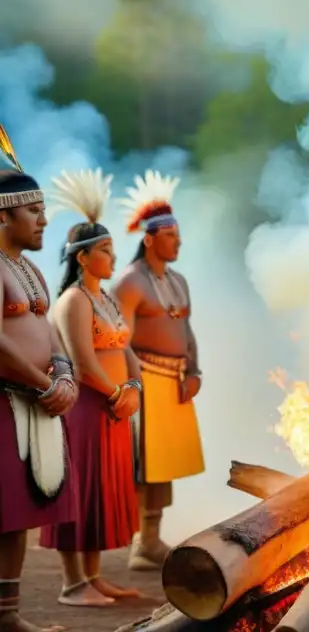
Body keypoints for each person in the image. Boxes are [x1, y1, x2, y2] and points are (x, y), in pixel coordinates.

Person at [38, 168, 143, 606]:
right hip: (85, 410)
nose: (113, 259)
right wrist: (118, 393)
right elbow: (82, 363)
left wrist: (134, 383)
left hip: (113, 408)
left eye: (113, 250)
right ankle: (71, 584)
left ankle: (94, 576)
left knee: (101, 491)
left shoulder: (105, 298)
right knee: (78, 489)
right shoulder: (73, 301)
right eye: (104, 251)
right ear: (81, 257)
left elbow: (127, 347)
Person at [0, 132, 79, 632]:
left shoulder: (28, 269)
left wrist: (64, 372)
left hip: (34, 402)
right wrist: (43, 383)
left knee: (14, 516)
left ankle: (6, 614)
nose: (45, 220)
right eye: (34, 210)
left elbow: (47, 329)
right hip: (7, 400)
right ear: (2, 215)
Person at [112, 170, 203, 571]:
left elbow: (186, 328)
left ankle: (151, 540)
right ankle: (139, 542)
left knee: (164, 463)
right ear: (149, 239)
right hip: (143, 380)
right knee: (143, 464)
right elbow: (118, 340)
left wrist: (195, 371)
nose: (178, 241)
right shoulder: (129, 283)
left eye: (178, 234)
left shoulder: (179, 281)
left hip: (175, 381)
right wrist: (130, 384)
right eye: (171, 235)